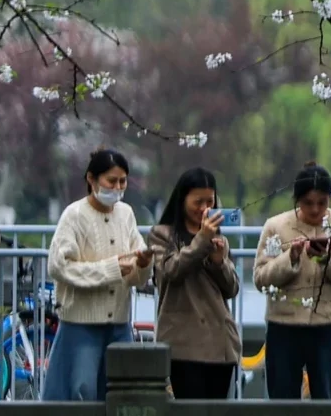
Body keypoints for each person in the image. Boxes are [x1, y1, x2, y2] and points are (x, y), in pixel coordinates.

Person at [253, 162, 331, 403]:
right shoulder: (276, 227)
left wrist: (329, 258)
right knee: (283, 401)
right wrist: (290, 259)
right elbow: (260, 279)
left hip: (329, 325)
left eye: (322, 203)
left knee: (328, 400)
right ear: (297, 200)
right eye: (307, 203)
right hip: (283, 324)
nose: (315, 210)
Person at [44, 148, 148, 402]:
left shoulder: (126, 214)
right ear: (91, 179)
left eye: (122, 181)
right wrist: (110, 269)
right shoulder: (74, 215)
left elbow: (135, 270)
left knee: (123, 392)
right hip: (81, 323)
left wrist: (143, 265)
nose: (117, 187)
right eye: (111, 181)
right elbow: (58, 266)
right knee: (82, 390)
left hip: (119, 322)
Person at [145, 167, 242, 400]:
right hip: (183, 343)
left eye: (210, 201)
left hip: (219, 344)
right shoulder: (162, 235)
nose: (205, 208)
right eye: (198, 201)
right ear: (182, 199)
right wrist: (200, 241)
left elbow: (231, 288)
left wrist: (219, 262)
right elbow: (170, 271)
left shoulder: (219, 238)